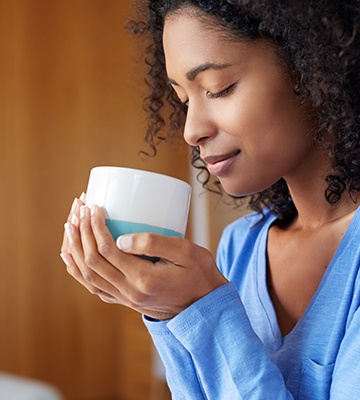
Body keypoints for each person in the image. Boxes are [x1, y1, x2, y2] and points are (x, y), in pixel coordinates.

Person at [60, 0, 360, 398]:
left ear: (314, 67)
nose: (190, 130)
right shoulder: (241, 245)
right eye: (184, 100)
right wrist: (172, 311)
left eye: (218, 89)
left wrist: (205, 310)